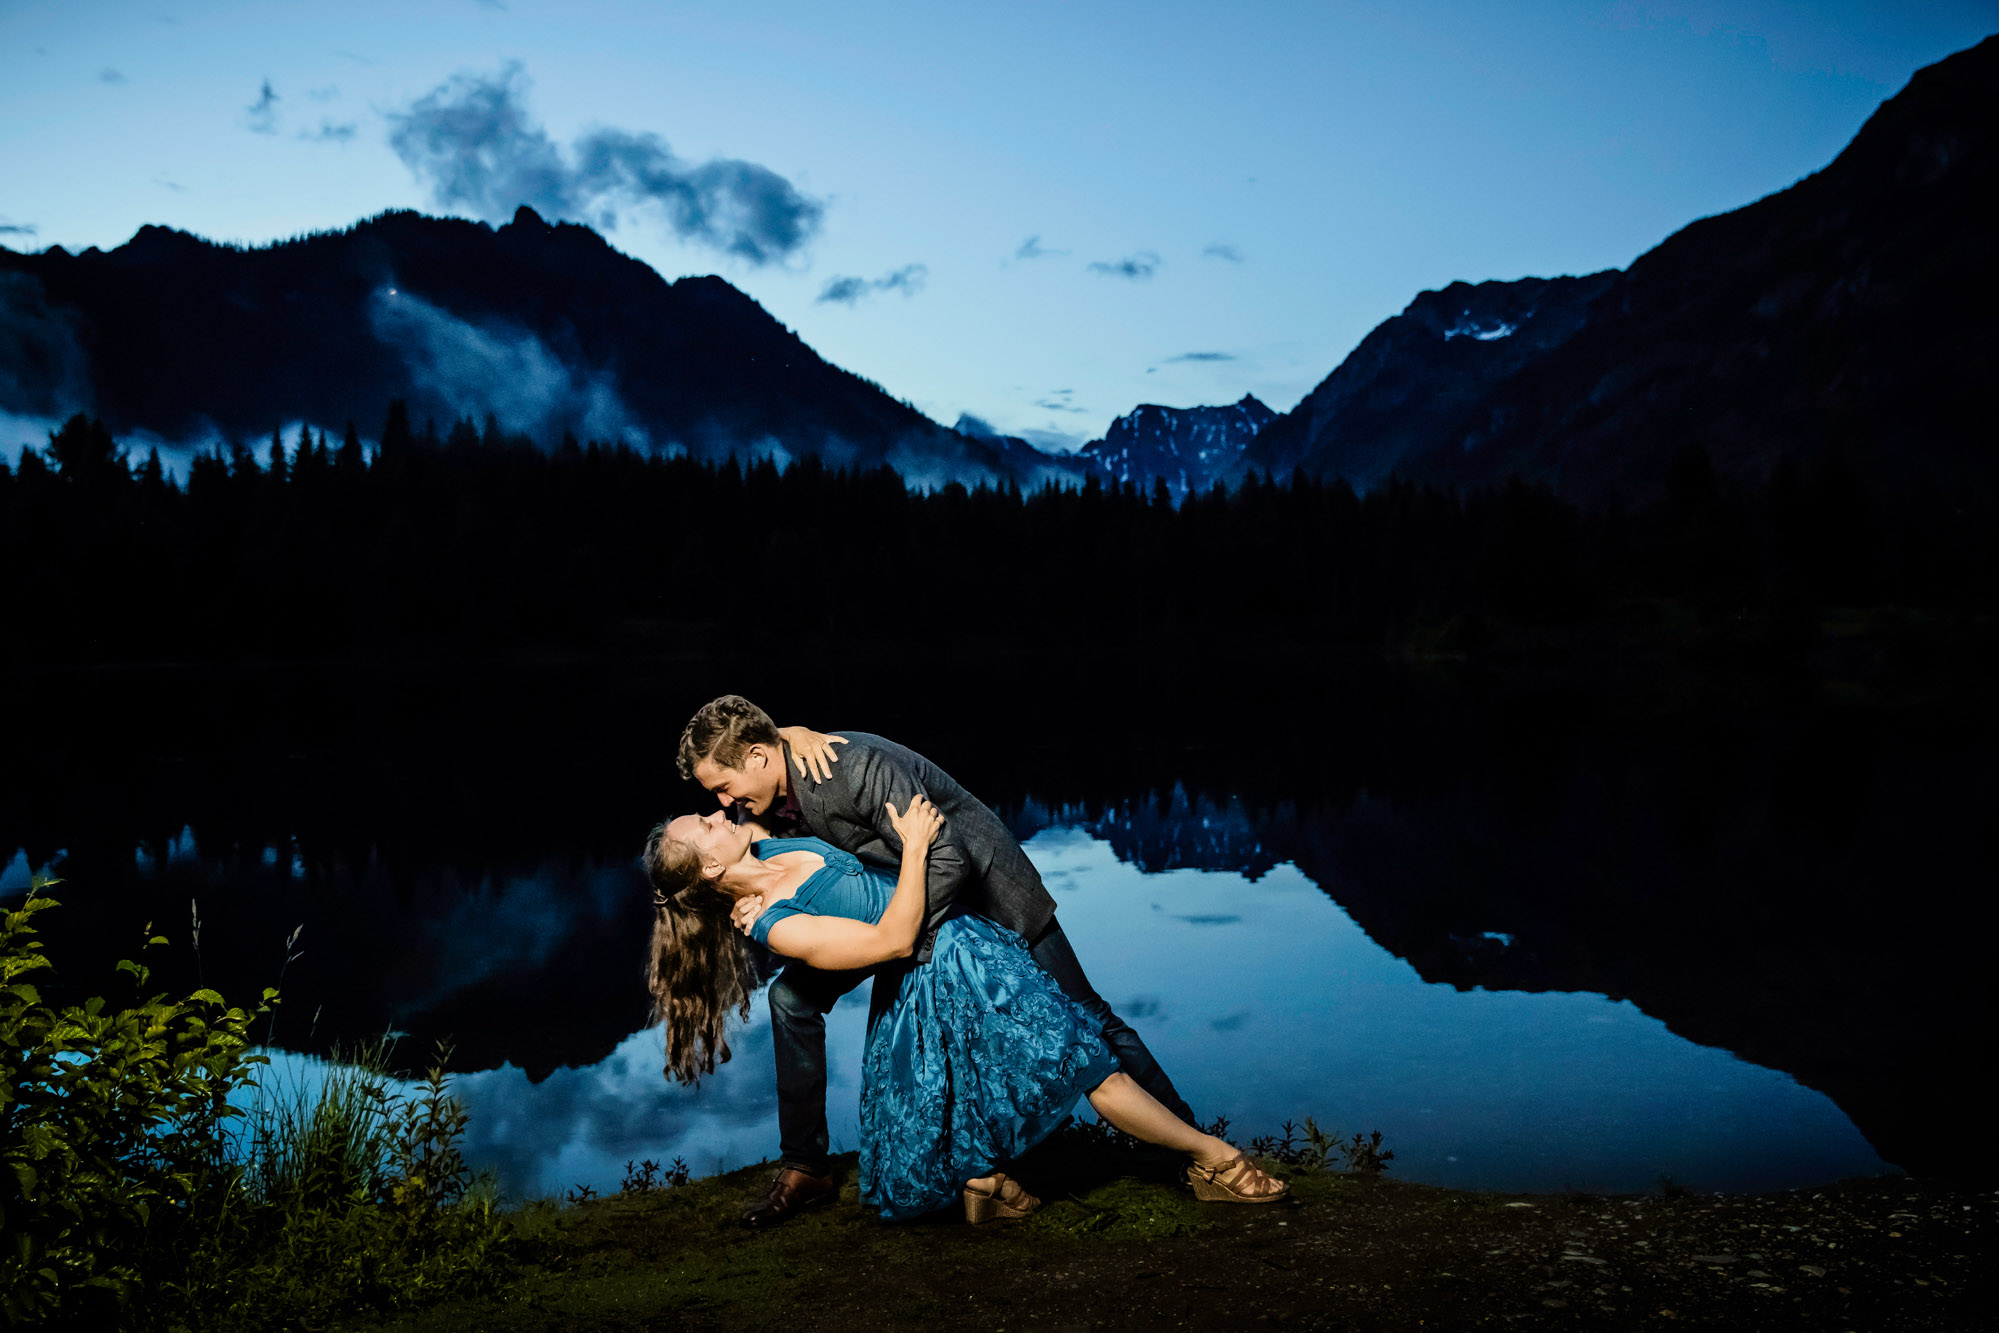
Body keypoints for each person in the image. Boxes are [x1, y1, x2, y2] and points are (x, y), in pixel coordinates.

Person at [673, 694, 1199, 1226]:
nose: (723, 803)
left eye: (722, 787)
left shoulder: (852, 767)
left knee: (1087, 1015)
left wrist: (902, 943)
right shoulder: (754, 801)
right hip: (891, 915)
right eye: (714, 794)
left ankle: (1186, 1148)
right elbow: (719, 865)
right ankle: (807, 1166)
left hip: (983, 893)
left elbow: (952, 859)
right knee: (790, 997)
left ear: (760, 759)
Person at [643, 800, 1288, 1221]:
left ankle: (986, 1186)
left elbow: (763, 769)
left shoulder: (762, 851)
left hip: (962, 945)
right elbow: (890, 941)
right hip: (945, 966)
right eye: (700, 826)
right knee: (1083, 1061)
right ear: (706, 867)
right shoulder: (778, 927)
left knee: (1049, 1066)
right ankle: (1215, 1159)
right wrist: (918, 847)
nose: (712, 814)